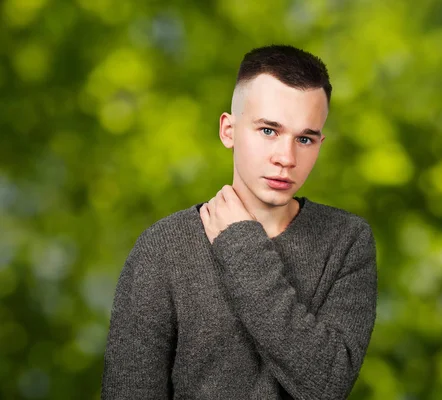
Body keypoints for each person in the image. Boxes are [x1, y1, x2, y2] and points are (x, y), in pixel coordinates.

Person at [101, 44, 378, 400]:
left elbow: (326, 384)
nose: (286, 158)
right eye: (268, 131)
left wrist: (240, 245)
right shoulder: (163, 248)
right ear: (228, 130)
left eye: (305, 139)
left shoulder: (347, 241)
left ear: (320, 144)